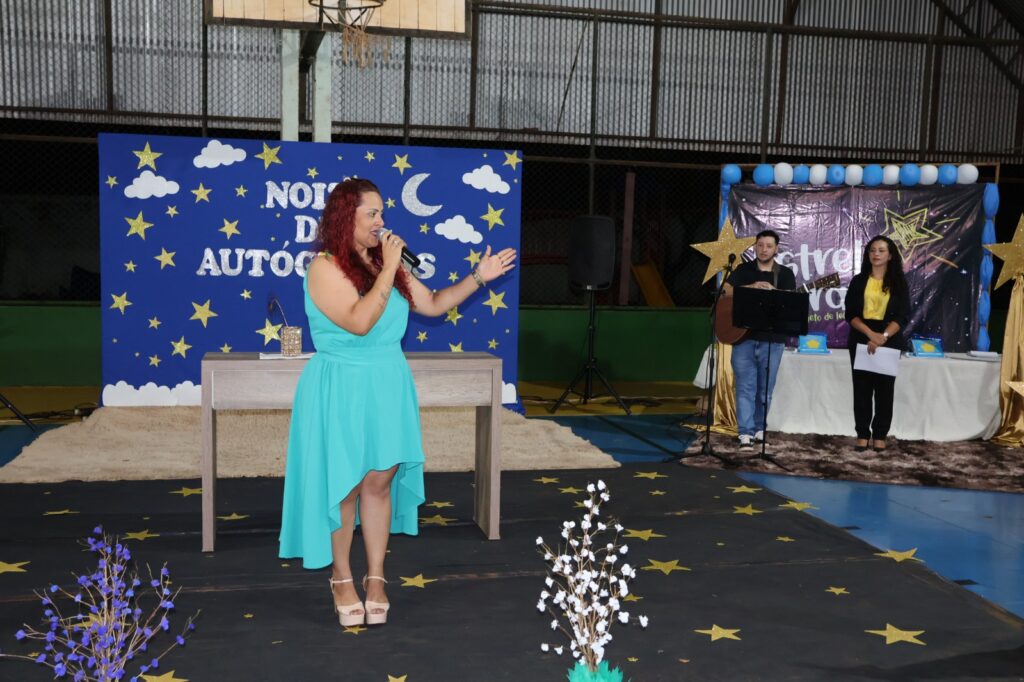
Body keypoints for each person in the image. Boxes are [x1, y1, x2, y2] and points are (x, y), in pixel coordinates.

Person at [278, 178, 517, 627]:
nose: (382, 222)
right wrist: (387, 268)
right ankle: (342, 576)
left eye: (383, 213)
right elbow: (360, 321)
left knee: (379, 482)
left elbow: (433, 303)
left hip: (387, 382)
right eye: (373, 214)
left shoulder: (388, 265)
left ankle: (376, 576)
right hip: (341, 385)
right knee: (344, 485)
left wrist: (477, 278)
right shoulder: (323, 268)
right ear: (345, 217)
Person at [722, 229, 796, 451]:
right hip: (743, 337)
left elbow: (791, 304)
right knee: (745, 387)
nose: (763, 249)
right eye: (760, 245)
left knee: (765, 389)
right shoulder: (743, 270)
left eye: (769, 246)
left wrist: (775, 293)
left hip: (772, 339)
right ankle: (744, 433)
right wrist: (750, 288)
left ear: (776, 249)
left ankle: (759, 429)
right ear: (755, 246)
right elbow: (725, 291)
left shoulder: (784, 274)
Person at [843, 235, 910, 452]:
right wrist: (871, 334)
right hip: (862, 335)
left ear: (890, 255)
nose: (876, 254)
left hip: (889, 339)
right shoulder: (858, 281)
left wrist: (883, 337)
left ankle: (880, 434)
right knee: (861, 389)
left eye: (881, 250)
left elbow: (902, 316)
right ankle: (862, 433)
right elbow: (851, 314)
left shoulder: (899, 283)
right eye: (873, 250)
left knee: (884, 390)